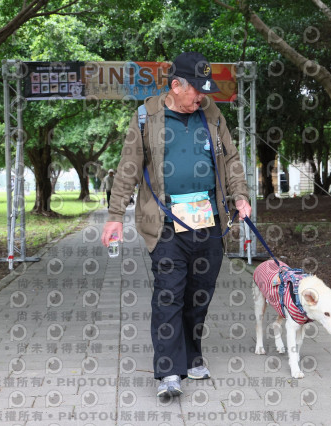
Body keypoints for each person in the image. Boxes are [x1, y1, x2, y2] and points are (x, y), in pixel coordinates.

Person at [101, 51, 251, 398]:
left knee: (199, 295)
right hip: (166, 223)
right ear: (176, 86)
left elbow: (231, 160)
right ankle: (169, 371)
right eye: (196, 90)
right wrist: (115, 216)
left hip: (209, 221)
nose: (201, 97)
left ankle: (193, 355)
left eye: (205, 90)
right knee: (169, 295)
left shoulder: (211, 114)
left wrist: (240, 196)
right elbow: (127, 168)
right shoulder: (146, 117)